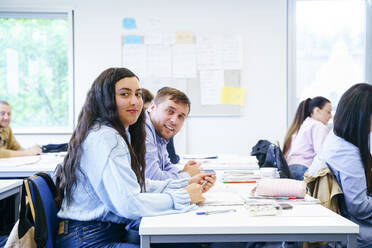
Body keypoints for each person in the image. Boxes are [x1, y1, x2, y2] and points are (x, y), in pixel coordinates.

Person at [54, 68, 215, 248]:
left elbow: (136, 185)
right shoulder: (106, 138)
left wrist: (182, 185)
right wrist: (183, 197)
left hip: (99, 232)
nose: (135, 101)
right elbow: (128, 204)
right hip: (89, 239)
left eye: (138, 94)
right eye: (124, 94)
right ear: (105, 99)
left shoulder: (113, 133)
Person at [312, 83, 372, 248]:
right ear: (362, 116)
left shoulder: (336, 138)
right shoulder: (347, 153)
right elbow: (359, 207)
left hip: (348, 222)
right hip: (356, 230)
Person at [145, 87, 200, 180]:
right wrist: (186, 176)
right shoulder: (143, 131)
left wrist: (183, 172)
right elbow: (152, 178)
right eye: (170, 111)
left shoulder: (159, 133)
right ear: (153, 107)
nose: (174, 121)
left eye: (181, 116)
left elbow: (165, 166)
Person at [282, 97, 332, 180]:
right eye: (328, 112)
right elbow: (322, 154)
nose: (331, 116)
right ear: (317, 110)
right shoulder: (318, 126)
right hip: (304, 169)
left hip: (290, 168)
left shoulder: (303, 125)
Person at [142, 88, 181, 164]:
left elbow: (166, 163)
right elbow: (153, 175)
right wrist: (186, 174)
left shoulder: (161, 128)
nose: (144, 115)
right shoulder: (144, 131)